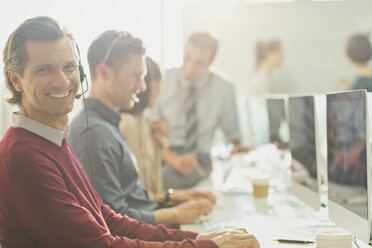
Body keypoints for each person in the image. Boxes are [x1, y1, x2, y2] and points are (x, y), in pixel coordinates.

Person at [0, 16, 260, 248]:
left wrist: (199, 240)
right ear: (15, 79)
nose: (62, 81)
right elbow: (102, 244)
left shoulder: (53, 140)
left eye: (69, 67)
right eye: (44, 69)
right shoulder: (25, 157)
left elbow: (107, 218)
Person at [69, 30, 215, 227]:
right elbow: (114, 220)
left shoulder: (108, 124)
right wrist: (176, 214)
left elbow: (132, 198)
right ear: (104, 73)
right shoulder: (94, 133)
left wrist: (173, 199)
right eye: (136, 76)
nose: (142, 87)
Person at [146, 31, 243, 189]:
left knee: (161, 182)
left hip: (199, 159)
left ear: (211, 62)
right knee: (148, 180)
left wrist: (233, 150)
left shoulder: (224, 88)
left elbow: (233, 135)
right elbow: (149, 130)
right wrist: (174, 160)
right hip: (164, 153)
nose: (190, 68)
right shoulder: (163, 80)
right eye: (187, 58)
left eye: (199, 63)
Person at [119, 57, 216, 204]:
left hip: (153, 208)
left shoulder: (144, 123)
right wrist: (177, 205)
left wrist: (184, 197)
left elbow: (152, 193)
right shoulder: (129, 124)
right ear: (154, 86)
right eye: (162, 84)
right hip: (147, 217)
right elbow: (138, 199)